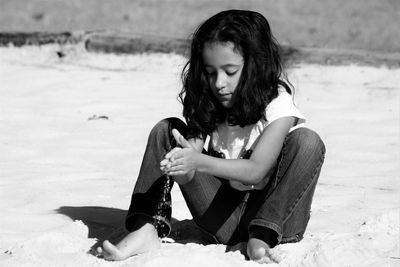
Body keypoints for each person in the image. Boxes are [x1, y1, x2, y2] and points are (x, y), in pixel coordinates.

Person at [96, 9, 326, 263]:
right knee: (167, 129)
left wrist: (198, 161)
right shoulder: (208, 99)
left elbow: (255, 171)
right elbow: (189, 171)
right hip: (221, 218)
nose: (219, 83)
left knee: (307, 141)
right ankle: (147, 227)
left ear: (255, 65)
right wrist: (180, 164)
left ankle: (261, 237)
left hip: (278, 219)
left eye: (230, 71)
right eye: (210, 71)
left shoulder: (278, 105)